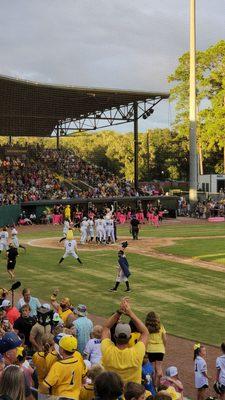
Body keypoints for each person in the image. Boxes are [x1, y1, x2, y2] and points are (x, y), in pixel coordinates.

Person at [101, 297, 149, 384]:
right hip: (132, 395)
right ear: (129, 337)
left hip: (112, 394)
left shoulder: (107, 350)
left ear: (115, 337)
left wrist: (119, 312)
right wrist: (130, 313)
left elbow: (106, 328)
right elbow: (145, 332)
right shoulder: (136, 353)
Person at [0, 332, 33, 400]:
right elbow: (29, 398)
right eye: (17, 348)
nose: (20, 350)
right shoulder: (16, 371)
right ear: (8, 354)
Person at [145, 311, 166, 387]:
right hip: (160, 349)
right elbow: (164, 339)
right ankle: (161, 385)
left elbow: (146, 339)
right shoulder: (160, 326)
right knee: (159, 368)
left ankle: (154, 385)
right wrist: (164, 347)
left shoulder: (146, 327)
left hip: (150, 349)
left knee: (152, 369)